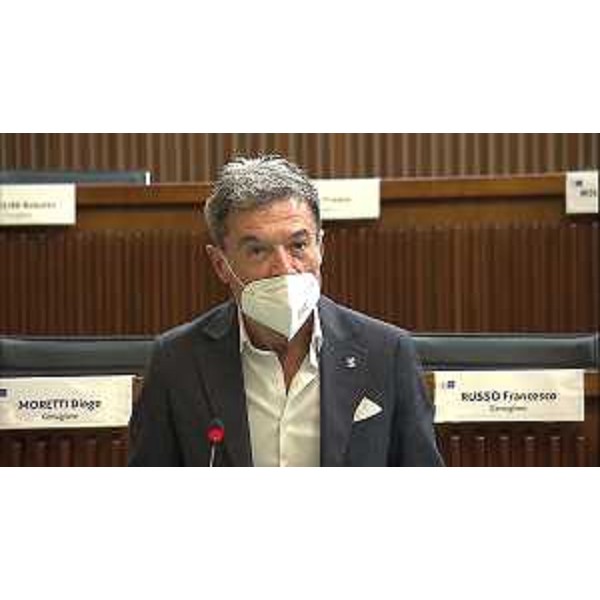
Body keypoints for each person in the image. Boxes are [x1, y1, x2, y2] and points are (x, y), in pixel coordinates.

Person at [128, 155, 443, 466]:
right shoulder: (177, 361)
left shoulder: (386, 353)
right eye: (257, 250)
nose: (284, 268)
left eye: (298, 246)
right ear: (221, 264)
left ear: (321, 247)